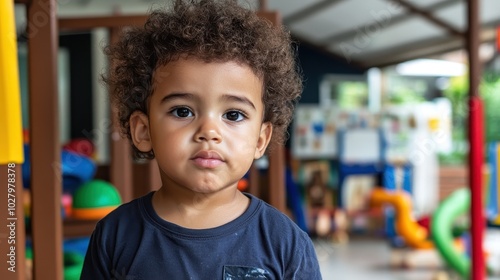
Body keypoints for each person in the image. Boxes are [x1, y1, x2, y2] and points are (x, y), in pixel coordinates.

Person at [81, 0, 322, 279]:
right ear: (143, 131)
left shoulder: (285, 243)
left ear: (260, 139)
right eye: (183, 111)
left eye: (233, 114)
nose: (209, 131)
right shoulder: (115, 236)